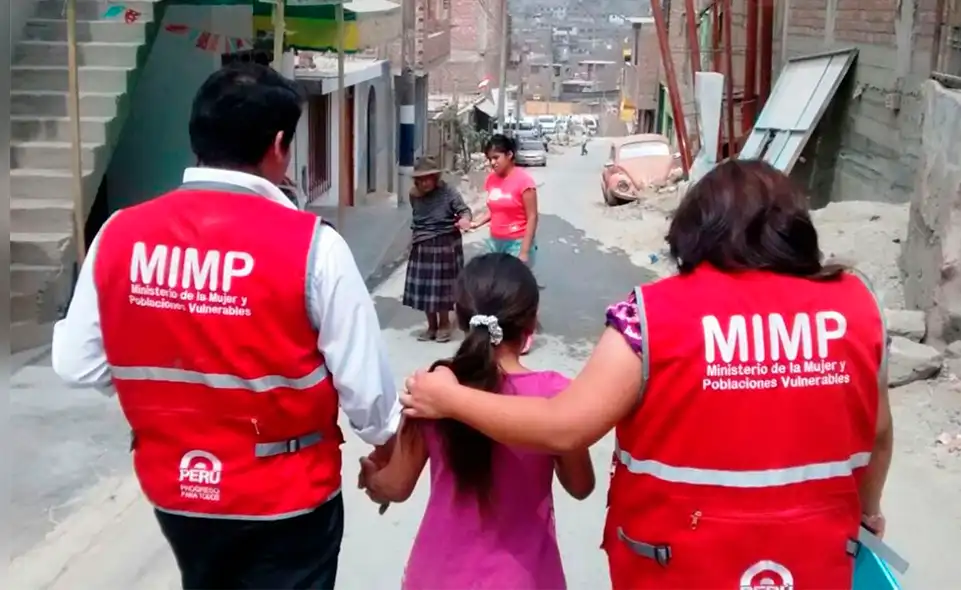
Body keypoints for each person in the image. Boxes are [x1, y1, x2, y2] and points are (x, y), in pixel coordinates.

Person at [400, 160, 894, 589]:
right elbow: (878, 435)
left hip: (676, 564)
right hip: (814, 558)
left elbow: (565, 426)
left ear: (697, 230)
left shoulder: (652, 316)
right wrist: (867, 511)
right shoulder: (858, 306)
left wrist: (449, 399)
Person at [51, 63, 400, 589]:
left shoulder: (119, 233)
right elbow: (368, 396)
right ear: (279, 145)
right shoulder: (312, 247)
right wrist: (387, 452)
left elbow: (79, 364)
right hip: (288, 499)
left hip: (177, 492)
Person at [359, 253, 595, 590]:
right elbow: (580, 485)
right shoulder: (554, 395)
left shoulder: (433, 389)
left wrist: (372, 477)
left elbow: (395, 486)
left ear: (459, 315)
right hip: (524, 578)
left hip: (437, 575)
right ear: (532, 321)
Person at [468, 134, 540, 353]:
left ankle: (526, 332)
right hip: (495, 241)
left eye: (496, 157)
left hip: (517, 241)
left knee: (519, 290)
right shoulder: (491, 180)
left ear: (510, 155)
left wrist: (525, 250)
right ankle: (501, 329)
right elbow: (494, 209)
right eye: (489, 158)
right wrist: (475, 223)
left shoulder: (524, 182)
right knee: (495, 288)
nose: (492, 162)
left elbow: (533, 217)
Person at [403, 157, 472, 343]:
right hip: (423, 244)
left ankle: (444, 324)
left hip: (446, 244)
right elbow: (418, 218)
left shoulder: (448, 192)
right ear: (416, 180)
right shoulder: (413, 195)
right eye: (422, 179)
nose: (426, 182)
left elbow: (464, 210)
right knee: (426, 288)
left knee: (443, 288)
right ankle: (431, 325)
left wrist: (465, 220)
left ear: (436, 177)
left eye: (429, 177)